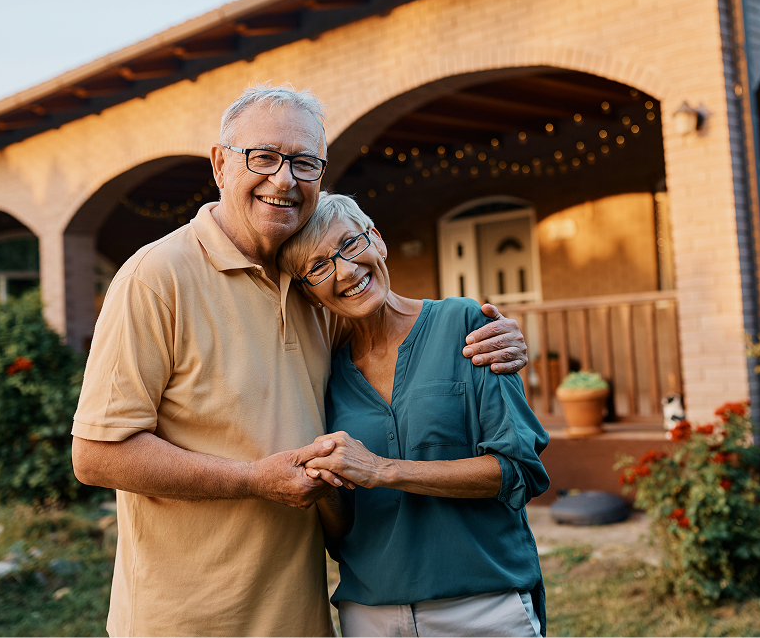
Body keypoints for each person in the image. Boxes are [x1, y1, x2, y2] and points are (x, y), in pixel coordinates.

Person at [70, 84, 529, 638]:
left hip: (302, 615)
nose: (284, 178)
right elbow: (96, 455)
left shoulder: (313, 286)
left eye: (304, 162)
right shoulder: (156, 276)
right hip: (188, 619)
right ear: (220, 164)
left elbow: (389, 325)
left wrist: (495, 335)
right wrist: (251, 480)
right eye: (262, 157)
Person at [280, 193, 549, 638]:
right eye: (318, 266)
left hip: (483, 605)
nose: (346, 270)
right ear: (308, 292)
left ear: (378, 241)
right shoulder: (326, 374)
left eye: (350, 244)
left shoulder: (465, 323)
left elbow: (518, 471)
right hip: (371, 613)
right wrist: (321, 484)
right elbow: (344, 525)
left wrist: (383, 470)